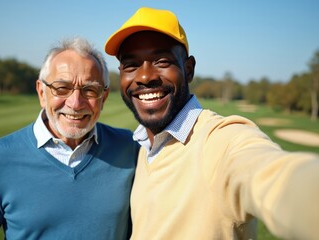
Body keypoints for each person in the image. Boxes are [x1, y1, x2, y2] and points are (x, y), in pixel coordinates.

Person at [104, 6, 319, 240]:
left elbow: (273, 176)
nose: (145, 77)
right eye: (131, 65)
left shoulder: (220, 142)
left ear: (188, 70)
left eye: (162, 61)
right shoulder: (143, 146)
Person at [0, 37, 139, 240]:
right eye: (62, 88)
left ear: (103, 98)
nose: (76, 103)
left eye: (90, 90)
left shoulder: (129, 147)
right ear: (42, 92)